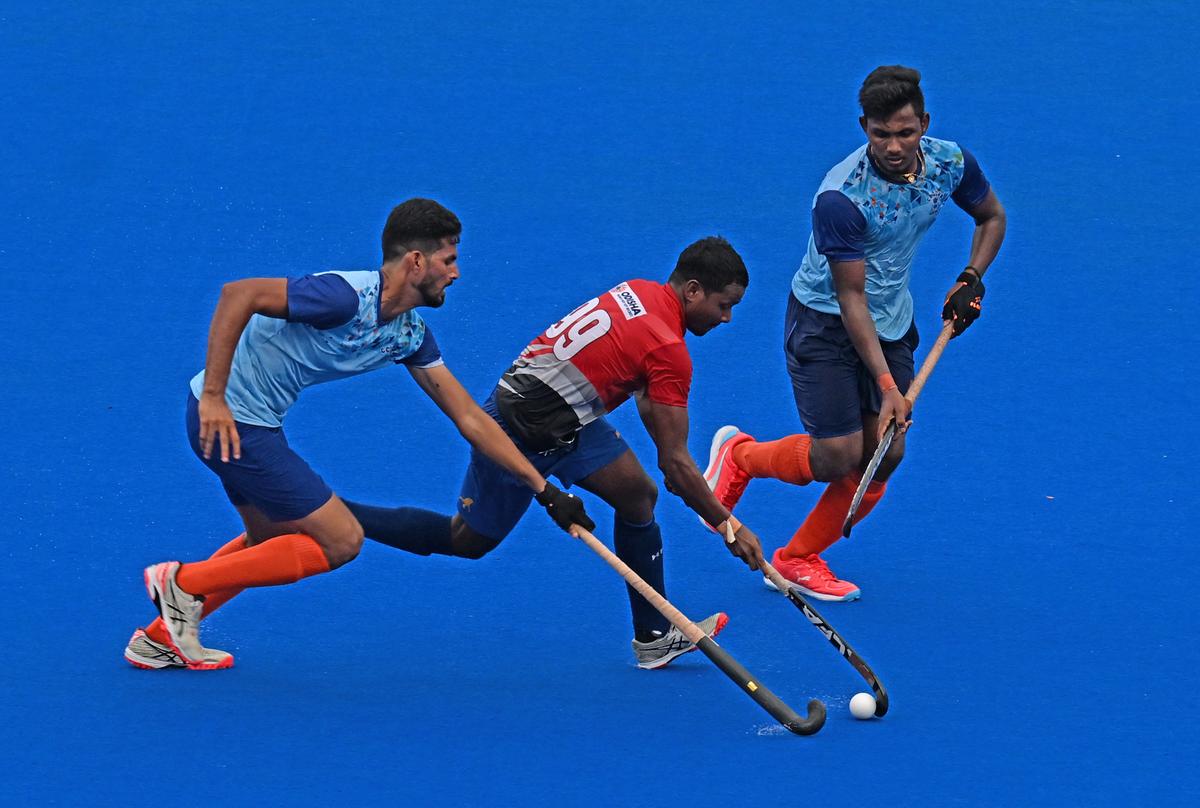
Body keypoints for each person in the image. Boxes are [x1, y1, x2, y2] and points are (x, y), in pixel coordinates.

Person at [126, 198, 592, 670]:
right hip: (231, 420)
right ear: (416, 262)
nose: (456, 273)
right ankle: (183, 583)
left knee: (269, 540)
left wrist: (544, 490)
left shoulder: (408, 334)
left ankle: (161, 637)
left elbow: (471, 418)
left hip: (254, 424)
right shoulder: (341, 298)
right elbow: (237, 294)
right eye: (448, 260)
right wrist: (214, 397)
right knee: (341, 541)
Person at [343, 236, 767, 669]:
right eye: (723, 305)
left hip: (565, 417)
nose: (728, 318)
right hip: (515, 429)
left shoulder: (639, 291)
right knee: (466, 541)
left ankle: (654, 636)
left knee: (638, 495)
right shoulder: (669, 349)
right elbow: (675, 465)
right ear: (693, 290)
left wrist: (672, 452)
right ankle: (336, 513)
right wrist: (729, 525)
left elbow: (646, 394)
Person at [703, 65, 1006, 601]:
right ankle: (741, 456)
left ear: (924, 124)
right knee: (838, 458)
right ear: (864, 126)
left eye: (906, 132)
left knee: (886, 453)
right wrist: (889, 386)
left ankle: (797, 557)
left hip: (891, 319)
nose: (894, 146)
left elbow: (991, 217)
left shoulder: (949, 162)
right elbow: (850, 298)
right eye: (880, 133)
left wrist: (971, 277)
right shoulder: (841, 199)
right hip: (824, 322)